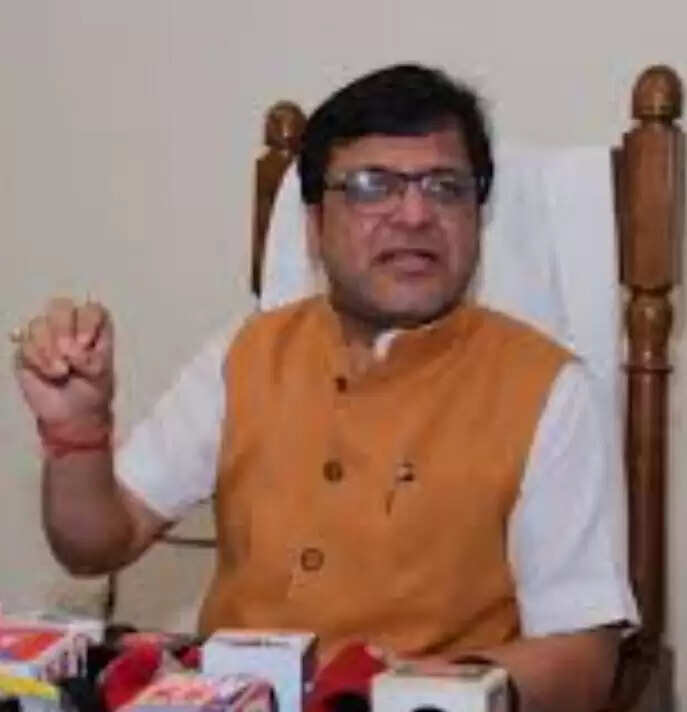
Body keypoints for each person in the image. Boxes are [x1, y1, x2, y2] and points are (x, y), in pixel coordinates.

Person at [13, 64, 637, 711]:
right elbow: (96, 544)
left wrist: (396, 696)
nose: (415, 214)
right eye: (372, 186)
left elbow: (581, 661)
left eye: (446, 187)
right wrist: (76, 432)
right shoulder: (246, 353)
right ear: (314, 223)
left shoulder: (547, 389)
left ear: (478, 215)